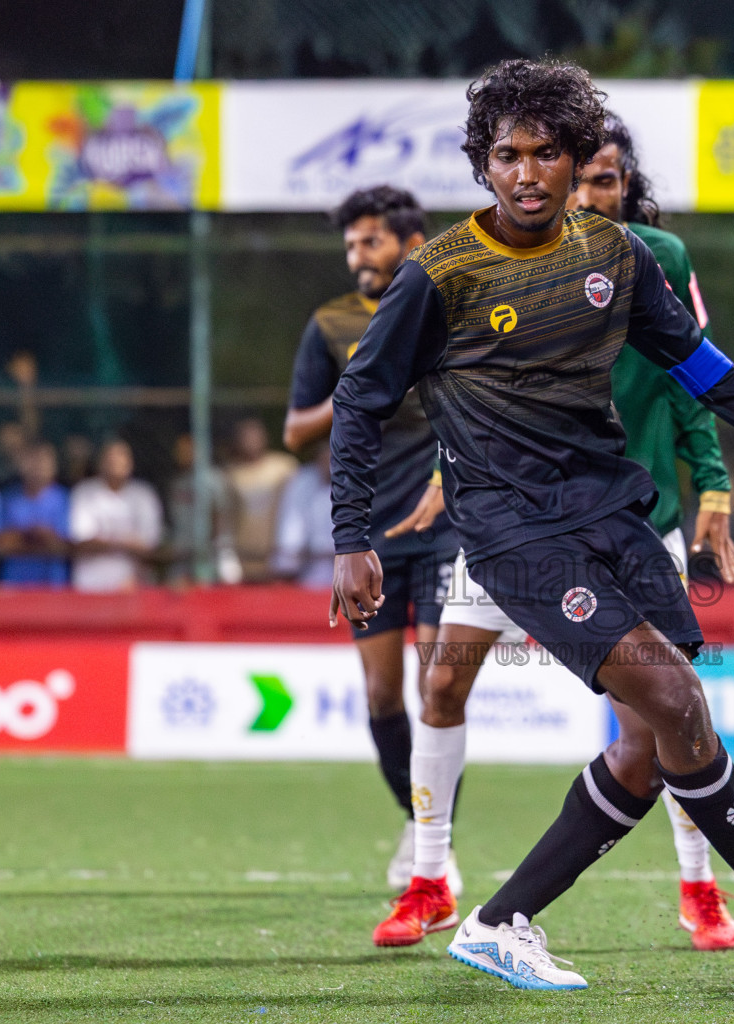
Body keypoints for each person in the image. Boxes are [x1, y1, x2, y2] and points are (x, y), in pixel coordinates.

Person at [327, 59, 734, 990]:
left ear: (578, 158)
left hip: (614, 514)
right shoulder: (439, 275)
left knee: (648, 741)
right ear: (482, 165)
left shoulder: (617, 256)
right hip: (513, 532)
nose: (525, 173)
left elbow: (708, 377)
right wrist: (351, 537)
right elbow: (359, 401)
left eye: (545, 153)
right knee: (672, 697)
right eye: (505, 155)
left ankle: (504, 921)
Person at [375, 111, 734, 952]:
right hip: (513, 529)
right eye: (578, 178)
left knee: (661, 716)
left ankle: (701, 888)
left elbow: (696, 375)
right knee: (441, 683)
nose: (585, 192)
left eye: (605, 178)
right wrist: (449, 474)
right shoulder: (502, 266)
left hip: (630, 521)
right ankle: (431, 879)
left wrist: (713, 485)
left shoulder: (655, 259)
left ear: (625, 185)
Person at [284, 185, 461, 894]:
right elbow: (295, 429)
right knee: (383, 695)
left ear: (410, 245)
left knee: (439, 685)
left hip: (448, 527)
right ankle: (421, 825)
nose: (358, 256)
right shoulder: (330, 323)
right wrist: (363, 383)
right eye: (351, 244)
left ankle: (434, 848)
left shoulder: (449, 309)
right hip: (368, 536)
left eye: (371, 242)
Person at [68, 438, 163, 592]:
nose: (116, 464)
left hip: (133, 587)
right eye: (110, 459)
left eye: (121, 458)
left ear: (130, 463)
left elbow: (148, 545)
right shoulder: (84, 492)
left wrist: (105, 541)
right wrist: (125, 542)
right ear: (100, 463)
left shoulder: (144, 494)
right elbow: (82, 541)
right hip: (90, 586)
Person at [225, 417, 297, 582]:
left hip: (278, 554)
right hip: (244, 555)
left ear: (265, 437)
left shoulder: (284, 467)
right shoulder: (231, 474)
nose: (251, 441)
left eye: (255, 436)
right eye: (246, 436)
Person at [0, 439, 71, 588]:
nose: (38, 466)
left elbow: (64, 545)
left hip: (52, 585)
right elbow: (0, 544)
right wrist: (29, 534)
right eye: (33, 460)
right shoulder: (9, 497)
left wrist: (42, 536)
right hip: (13, 584)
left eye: (44, 461)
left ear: (54, 466)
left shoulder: (64, 499)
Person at [166, 433, 239, 584]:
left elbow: (221, 517)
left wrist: (207, 548)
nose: (183, 454)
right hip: (182, 555)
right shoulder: (177, 483)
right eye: (180, 450)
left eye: (188, 449)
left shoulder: (213, 479)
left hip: (213, 553)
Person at [270, 447, 337, 588]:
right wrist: (286, 564)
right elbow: (291, 529)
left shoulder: (358, 480)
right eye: (326, 451)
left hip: (349, 571)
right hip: (308, 573)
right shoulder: (302, 480)